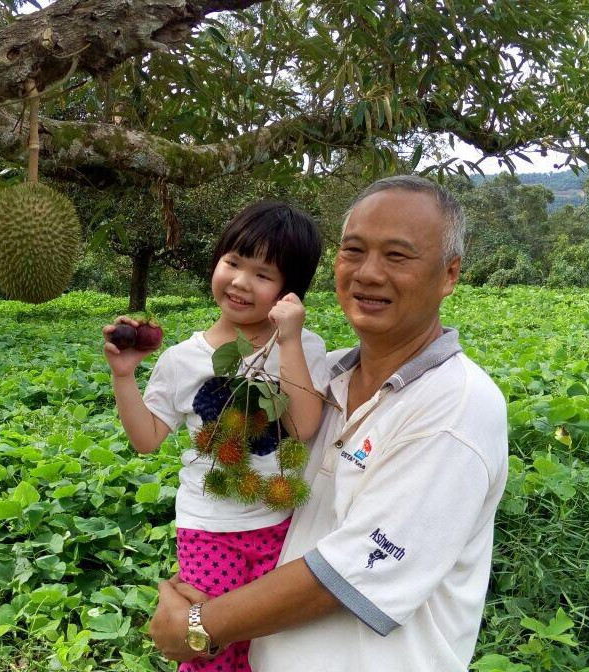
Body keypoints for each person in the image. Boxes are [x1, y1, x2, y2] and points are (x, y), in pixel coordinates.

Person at [149, 176, 509, 672]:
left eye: (398, 256)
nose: (368, 273)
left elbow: (351, 572)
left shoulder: (454, 410)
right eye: (354, 250)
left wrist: (199, 624)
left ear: (449, 275)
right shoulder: (314, 378)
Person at [103, 200, 331, 672]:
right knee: (209, 644)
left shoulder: (303, 348)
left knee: (271, 645)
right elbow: (147, 439)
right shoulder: (182, 359)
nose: (241, 282)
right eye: (233, 263)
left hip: (283, 526)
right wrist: (124, 377)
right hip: (209, 529)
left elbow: (305, 426)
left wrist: (289, 340)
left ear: (290, 292)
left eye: (263, 274)